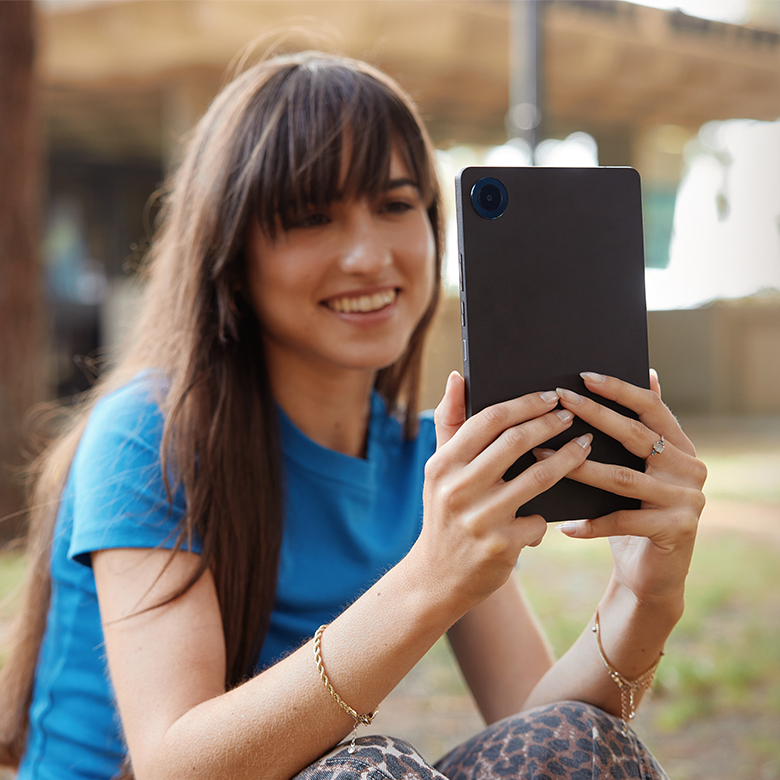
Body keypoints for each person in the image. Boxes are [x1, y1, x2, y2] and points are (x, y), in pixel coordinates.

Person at [0, 51, 706, 780]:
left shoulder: (423, 459)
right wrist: (433, 577)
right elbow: (176, 767)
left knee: (577, 741)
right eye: (311, 217)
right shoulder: (147, 434)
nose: (369, 255)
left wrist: (643, 595)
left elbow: (537, 733)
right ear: (231, 252)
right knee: (370, 769)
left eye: (396, 205)